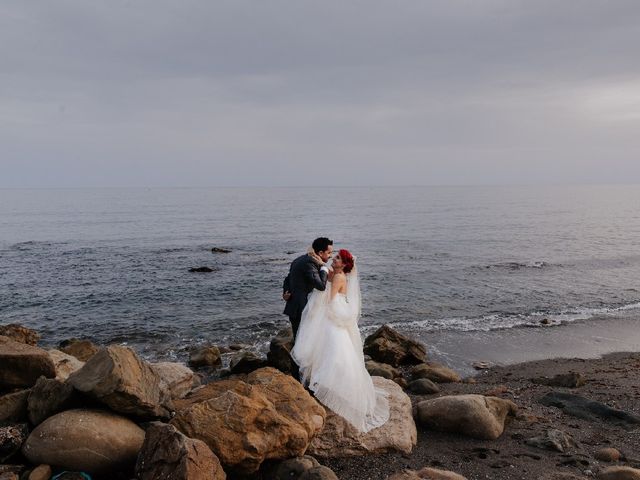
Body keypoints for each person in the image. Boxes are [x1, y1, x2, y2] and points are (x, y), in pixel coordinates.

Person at [291, 249, 389, 433]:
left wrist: (314, 306)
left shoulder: (338, 277)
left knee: (333, 351)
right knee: (332, 350)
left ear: (343, 264)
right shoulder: (337, 274)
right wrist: (320, 265)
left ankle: (334, 387)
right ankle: (328, 385)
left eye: (337, 258)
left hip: (332, 315)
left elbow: (328, 299)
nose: (333, 259)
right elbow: (324, 279)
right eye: (334, 257)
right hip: (334, 314)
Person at [282, 237, 333, 337]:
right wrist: (324, 269)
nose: (331, 256)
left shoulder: (300, 259)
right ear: (321, 253)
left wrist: (286, 291)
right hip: (301, 309)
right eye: (329, 253)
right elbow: (321, 286)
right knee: (302, 339)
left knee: (301, 340)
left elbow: (287, 279)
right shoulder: (310, 263)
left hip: (297, 307)